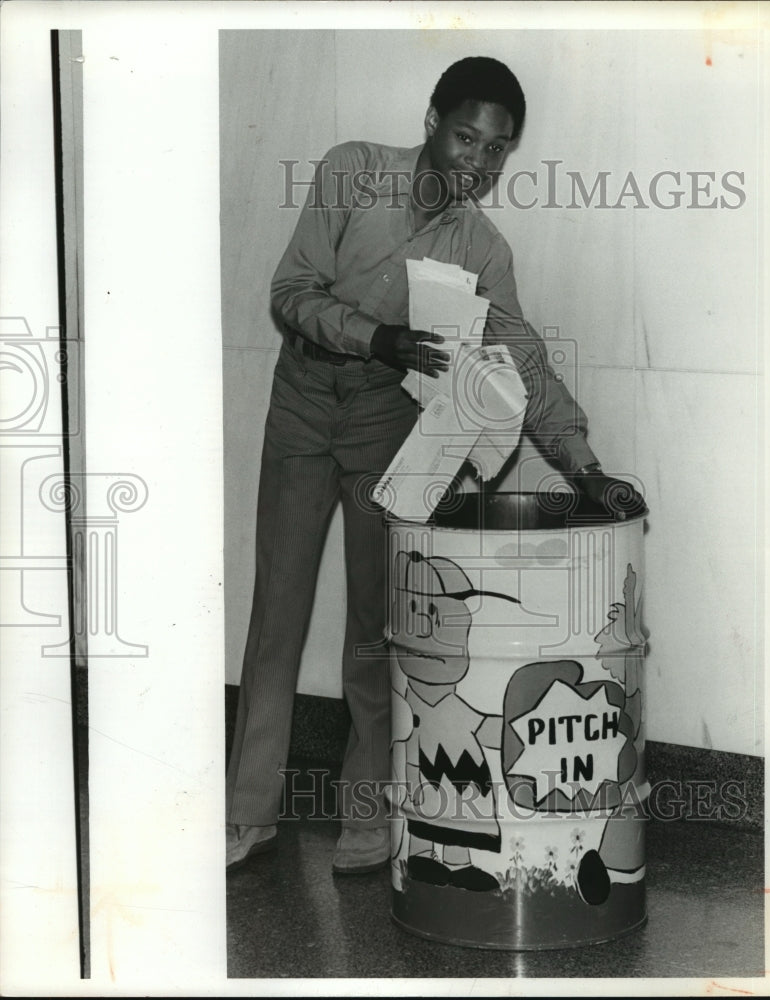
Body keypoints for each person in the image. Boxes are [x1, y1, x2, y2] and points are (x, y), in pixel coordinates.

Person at [225, 55, 647, 875]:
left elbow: (522, 362)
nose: (478, 163)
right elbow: (291, 290)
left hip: (390, 428)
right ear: (430, 122)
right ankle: (247, 814)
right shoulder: (351, 171)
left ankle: (364, 813)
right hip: (305, 406)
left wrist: (585, 468)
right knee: (276, 619)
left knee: (373, 634)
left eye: (498, 150)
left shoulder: (484, 249)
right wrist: (371, 335)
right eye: (466, 138)